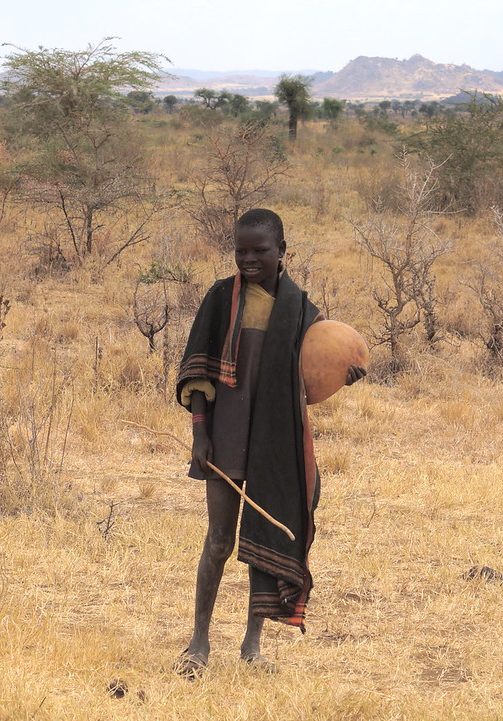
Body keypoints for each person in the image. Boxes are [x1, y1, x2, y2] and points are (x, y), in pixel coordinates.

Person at [174, 208, 365, 677]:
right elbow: (197, 372)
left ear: (282, 251)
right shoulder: (221, 298)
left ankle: (251, 644)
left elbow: (311, 375)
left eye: (260, 250)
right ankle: (198, 642)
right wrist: (200, 433)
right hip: (225, 437)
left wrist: (345, 372)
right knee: (219, 541)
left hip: (276, 442)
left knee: (267, 539)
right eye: (241, 249)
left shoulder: (302, 312)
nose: (249, 258)